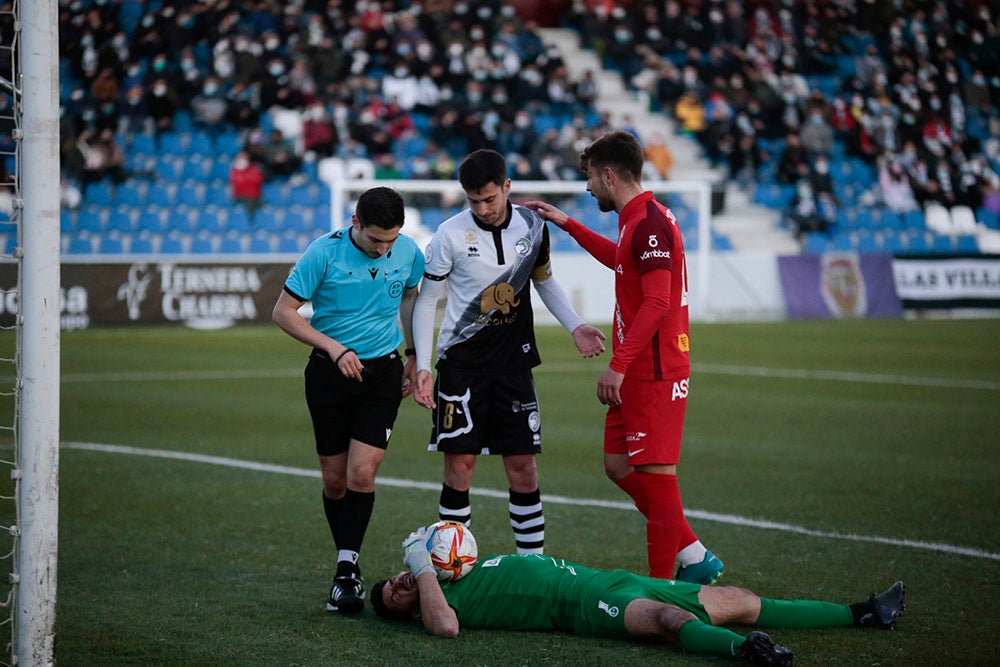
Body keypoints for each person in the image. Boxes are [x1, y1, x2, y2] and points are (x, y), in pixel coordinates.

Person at [525, 130, 721, 583]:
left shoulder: (649, 221)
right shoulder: (636, 218)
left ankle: (661, 586)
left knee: (656, 475)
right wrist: (569, 224)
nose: (588, 187)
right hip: (637, 366)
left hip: (653, 367)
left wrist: (618, 365)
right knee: (618, 466)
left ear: (609, 175)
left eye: (591, 178)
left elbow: (657, 303)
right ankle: (694, 553)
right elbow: (621, 260)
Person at [412, 148, 606, 555]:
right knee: (459, 468)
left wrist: (576, 325)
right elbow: (427, 300)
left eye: (490, 198)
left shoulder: (534, 227)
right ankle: (452, 565)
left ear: (507, 187)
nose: (482, 208)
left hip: (514, 365)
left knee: (524, 469)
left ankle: (532, 566)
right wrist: (424, 365)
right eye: (473, 201)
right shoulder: (448, 235)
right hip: (461, 364)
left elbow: (545, 282)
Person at [371, 525, 907, 665]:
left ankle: (862, 614)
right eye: (392, 595)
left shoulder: (451, 575)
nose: (396, 583)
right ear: (406, 609)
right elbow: (444, 628)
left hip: (609, 578)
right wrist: (419, 569)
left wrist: (428, 562)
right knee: (668, 620)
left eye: (393, 578)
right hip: (582, 606)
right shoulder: (440, 605)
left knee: (740, 598)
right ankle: (746, 651)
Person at [271, 186, 425, 614]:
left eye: (391, 240)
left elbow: (412, 297)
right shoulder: (323, 253)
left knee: (361, 474)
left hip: (382, 374)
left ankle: (345, 573)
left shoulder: (408, 251)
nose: (383, 249)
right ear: (355, 223)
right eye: (376, 239)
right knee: (335, 481)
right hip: (328, 375)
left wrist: (413, 355)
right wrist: (335, 349)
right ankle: (347, 563)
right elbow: (282, 312)